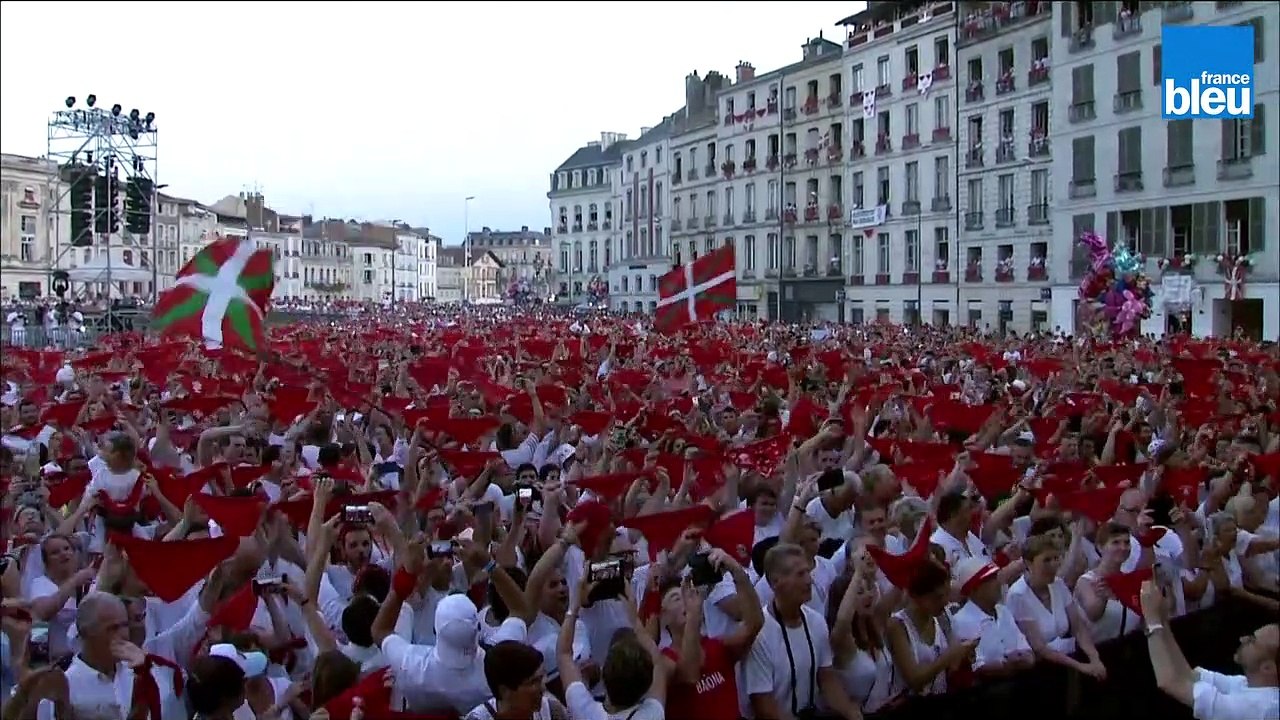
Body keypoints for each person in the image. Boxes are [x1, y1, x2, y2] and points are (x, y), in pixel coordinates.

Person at [1139, 580, 1279, 720]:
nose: (1243, 639)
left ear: (1267, 667)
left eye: (1252, 641)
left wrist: (1151, 620)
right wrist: (1162, 620)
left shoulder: (1264, 708)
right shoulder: (1247, 684)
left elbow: (1171, 683)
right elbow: (1189, 676)